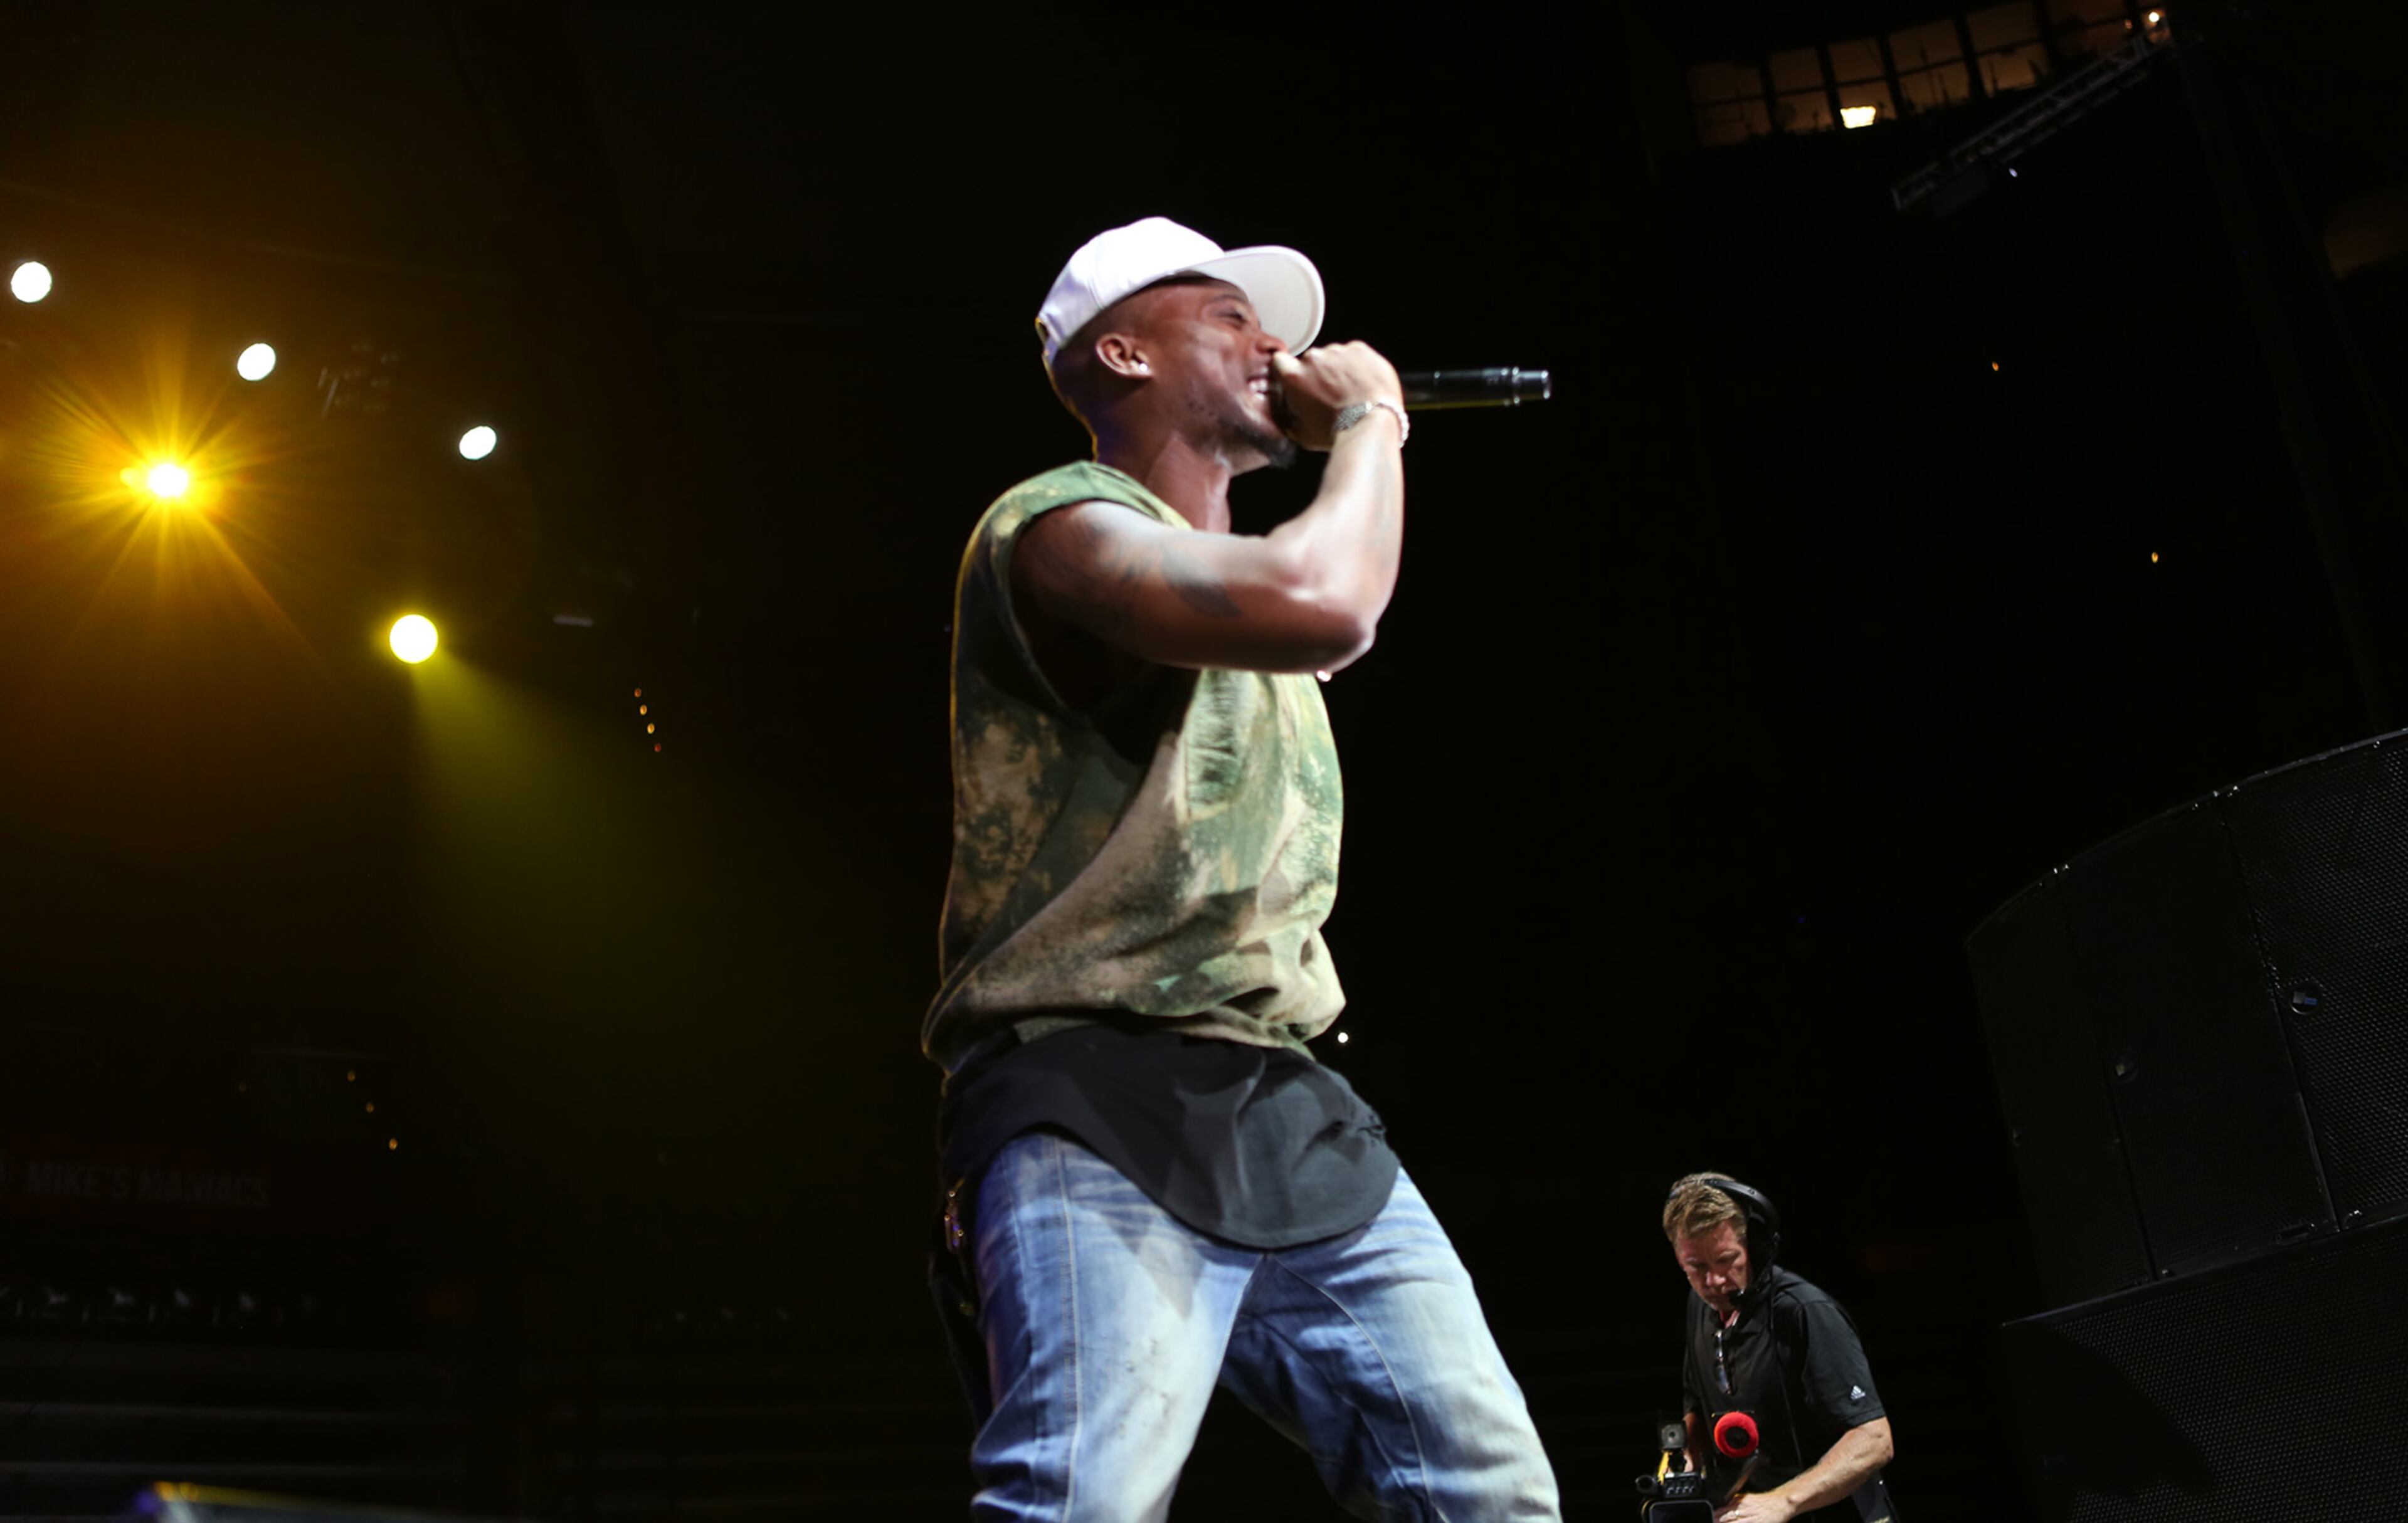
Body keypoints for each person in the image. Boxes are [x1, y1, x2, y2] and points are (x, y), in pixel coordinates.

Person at [923, 216, 1561, 1520]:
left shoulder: (1241, 604)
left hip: (1279, 1091)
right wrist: (1376, 420)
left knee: (1487, 1490)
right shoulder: (1059, 528)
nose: (1278, 345)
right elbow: (1325, 599)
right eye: (1229, 316)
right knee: (1082, 1496)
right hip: (1093, 1086)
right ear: (1123, 351)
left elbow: (1312, 607)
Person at [1664, 1173, 1899, 1523]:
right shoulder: (1700, 1307)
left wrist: (1783, 1502)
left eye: (1726, 1260)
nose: (1713, 1281)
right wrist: (1679, 1470)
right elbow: (1695, 1402)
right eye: (1696, 1267)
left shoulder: (1805, 1312)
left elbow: (1874, 1439)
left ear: (1753, 1246)